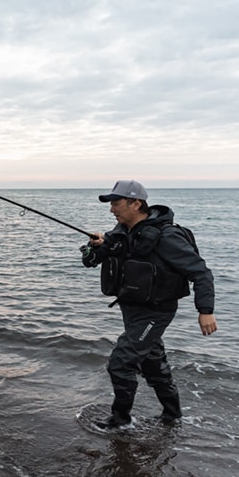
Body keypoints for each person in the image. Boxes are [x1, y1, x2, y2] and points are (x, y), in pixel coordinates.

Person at [80, 180, 217, 429]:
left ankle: (120, 420)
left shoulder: (167, 237)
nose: (112, 209)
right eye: (111, 204)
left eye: (117, 203)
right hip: (131, 309)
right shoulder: (119, 233)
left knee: (120, 363)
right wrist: (94, 244)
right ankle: (173, 416)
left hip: (156, 312)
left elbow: (201, 273)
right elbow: (90, 261)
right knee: (153, 365)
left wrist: (205, 311)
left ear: (136, 203)